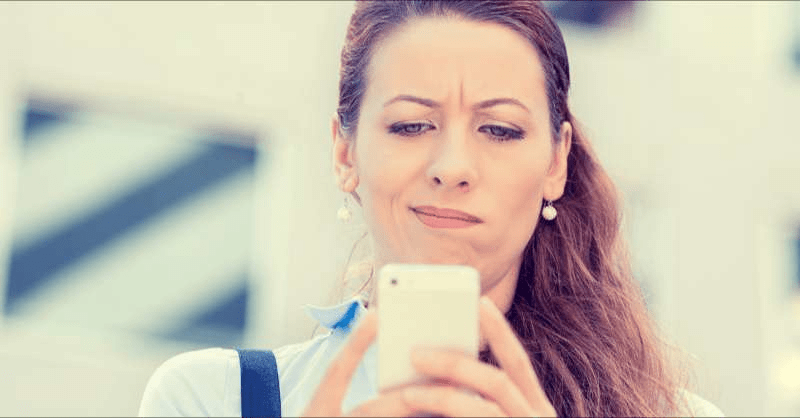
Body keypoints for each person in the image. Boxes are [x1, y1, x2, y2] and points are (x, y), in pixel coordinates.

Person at [139, 1, 725, 416]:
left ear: (556, 162)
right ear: (345, 151)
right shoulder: (211, 399)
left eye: (498, 130)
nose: (453, 166)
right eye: (412, 124)